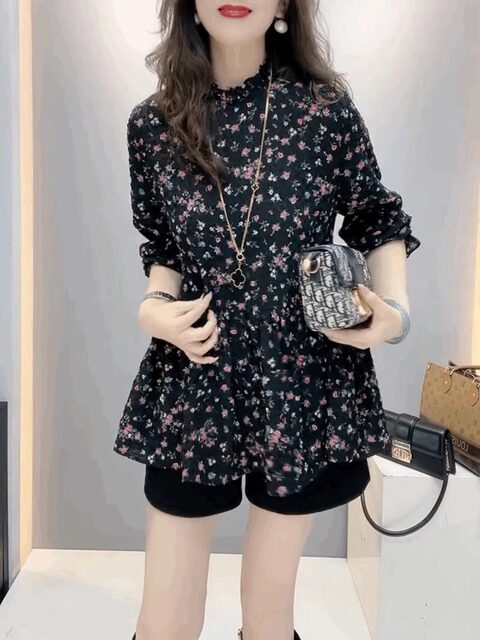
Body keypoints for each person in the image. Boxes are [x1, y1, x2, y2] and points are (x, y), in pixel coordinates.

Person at [114, 1, 421, 639]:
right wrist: (153, 311)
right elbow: (163, 252)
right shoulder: (153, 124)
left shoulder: (324, 112)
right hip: (196, 372)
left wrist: (395, 313)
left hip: (298, 377)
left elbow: (375, 218)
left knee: (269, 612)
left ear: (284, 4)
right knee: (166, 618)